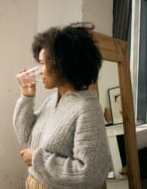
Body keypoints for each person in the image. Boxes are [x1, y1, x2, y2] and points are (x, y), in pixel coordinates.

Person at [13, 22, 111, 189]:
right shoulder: (53, 101)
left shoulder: (86, 109)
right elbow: (25, 136)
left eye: (43, 63)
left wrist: (38, 160)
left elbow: (90, 174)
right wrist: (26, 97)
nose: (39, 70)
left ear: (63, 64)